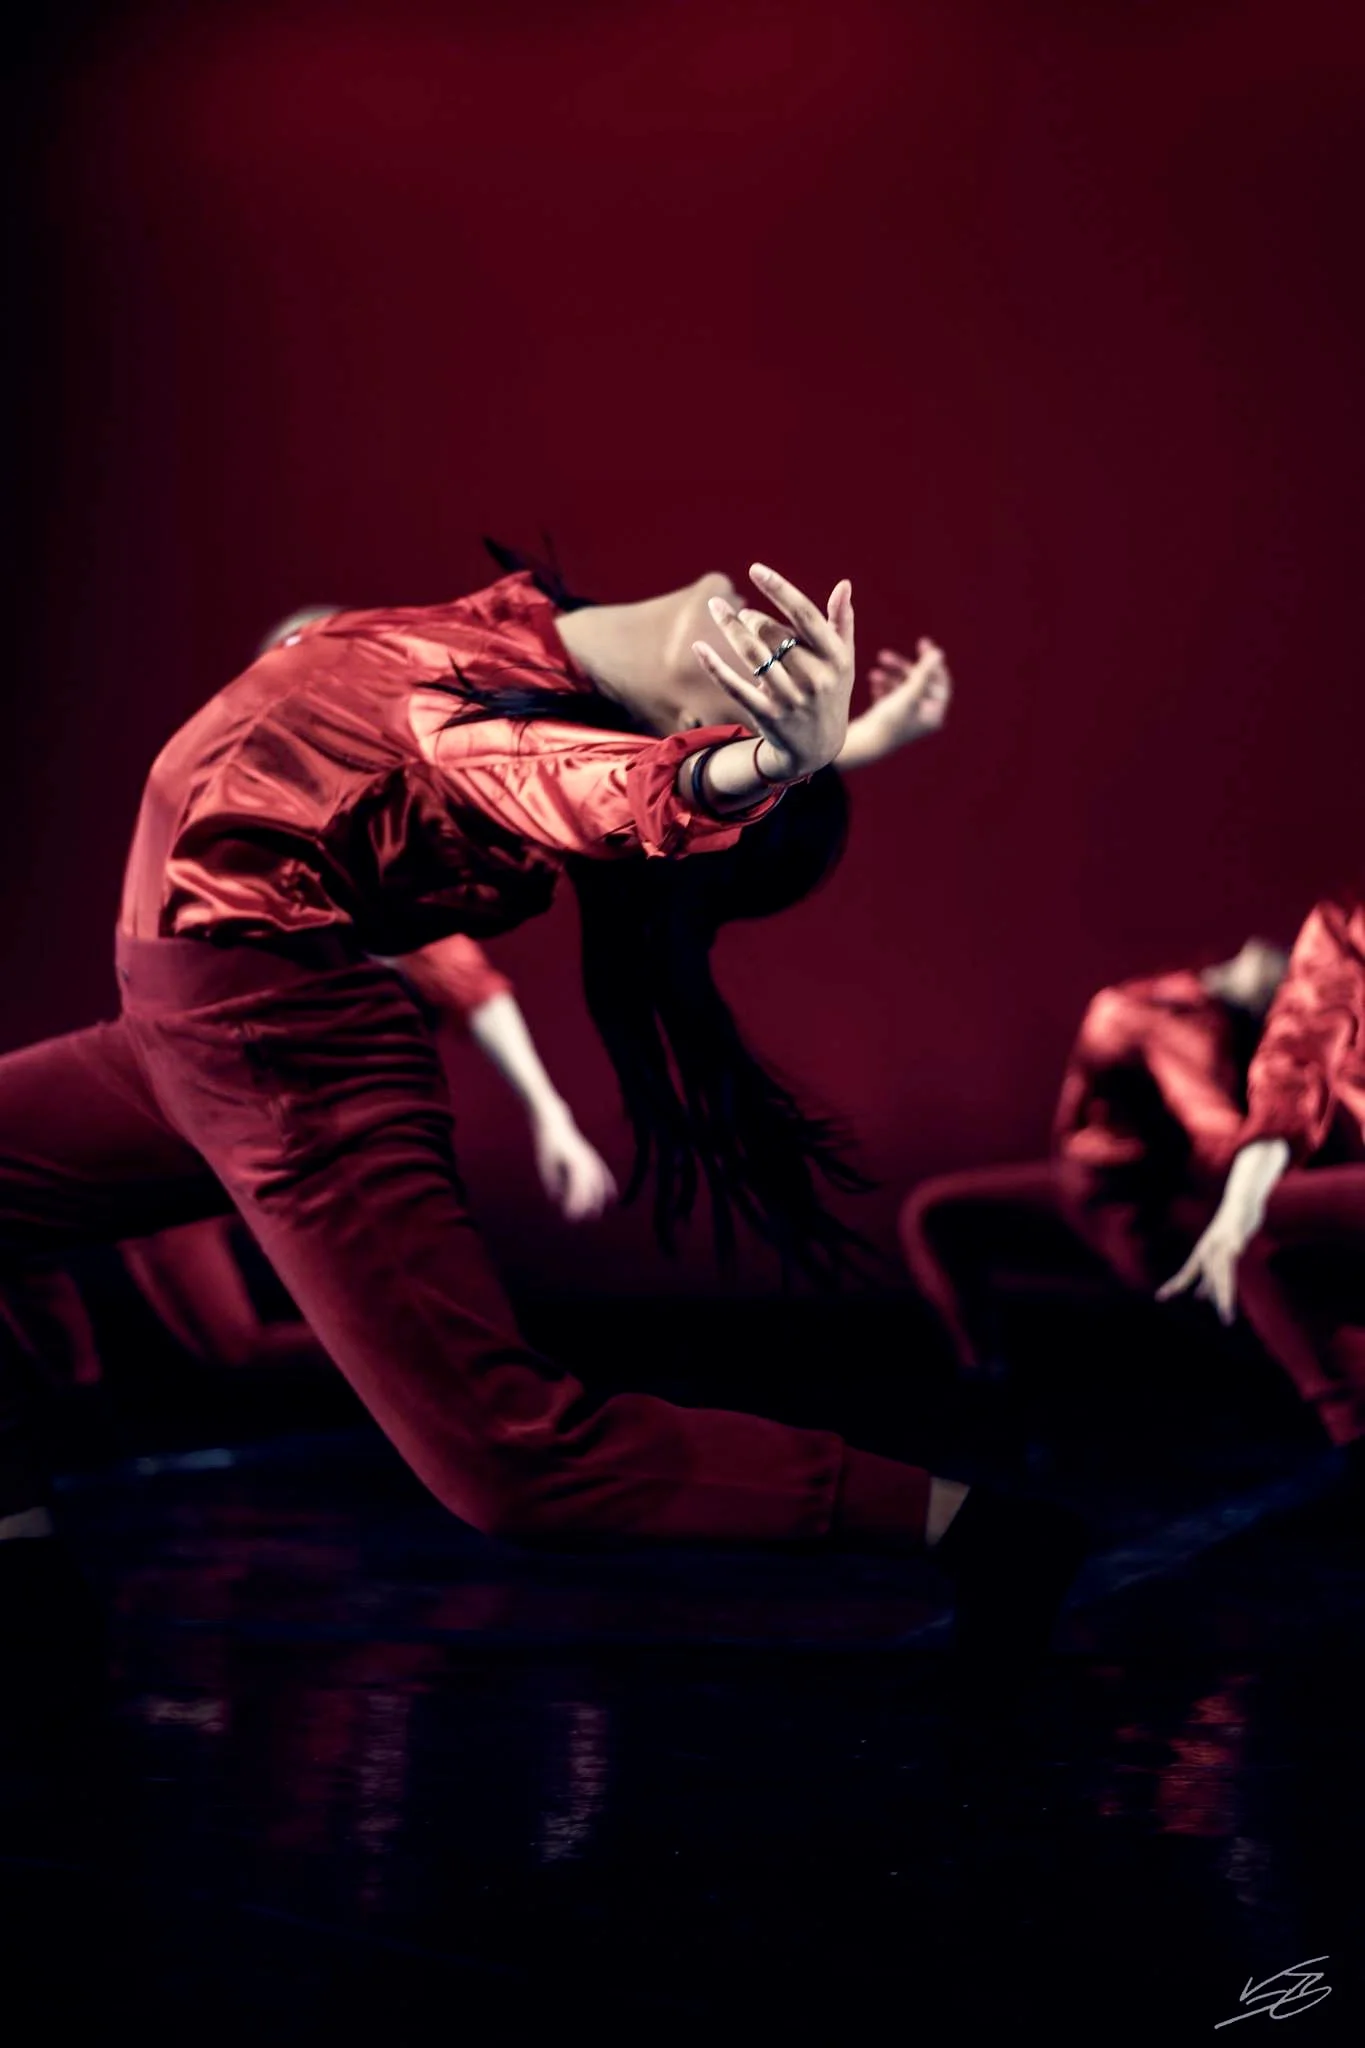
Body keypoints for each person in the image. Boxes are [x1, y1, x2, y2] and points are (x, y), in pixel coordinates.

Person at [0, 542, 1086, 1671]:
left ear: (687, 737)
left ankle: (980, 1530)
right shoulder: (504, 626)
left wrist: (767, 763)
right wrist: (847, 741)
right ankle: (20, 1566)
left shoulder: (493, 742)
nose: (779, 664)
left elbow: (609, 786)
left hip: (284, 1063)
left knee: (514, 1464)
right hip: (170, 1039)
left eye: (755, 712)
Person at [899, 938, 1289, 1375]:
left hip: (1134, 1194)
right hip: (1121, 1197)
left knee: (1255, 1323)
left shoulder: (1161, 1006)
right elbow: (1215, 1127)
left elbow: (1216, 1129)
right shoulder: (1171, 1016)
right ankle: (986, 1382)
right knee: (934, 1214)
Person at [1160, 896, 1365, 1471]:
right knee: (1244, 1236)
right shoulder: (1342, 928)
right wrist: (1239, 1207)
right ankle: (1351, 1438)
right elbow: (1295, 1061)